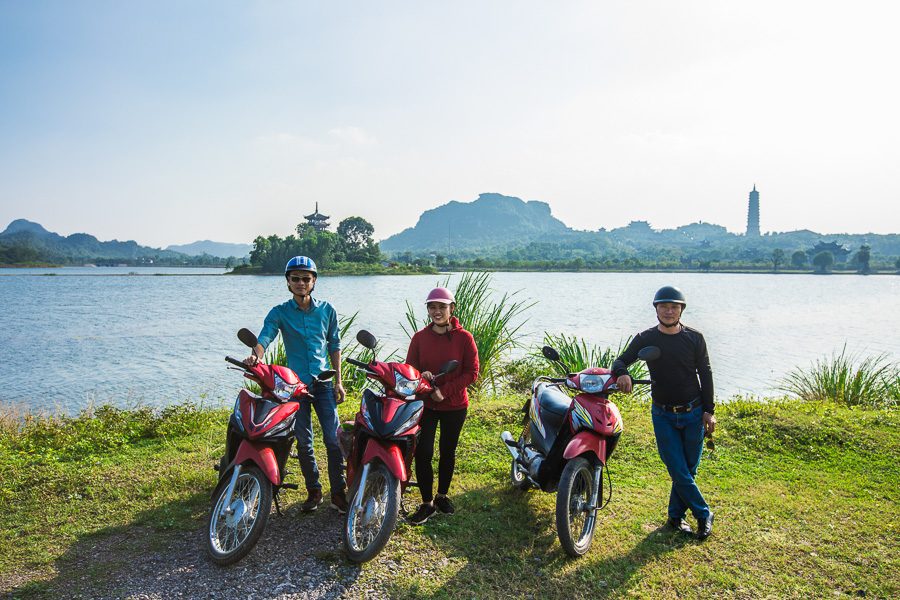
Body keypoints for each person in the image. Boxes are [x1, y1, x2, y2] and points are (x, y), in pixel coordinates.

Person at [611, 285, 716, 540]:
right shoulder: (646, 338)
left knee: (688, 470)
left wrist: (709, 411)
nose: (669, 311)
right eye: (664, 306)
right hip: (663, 414)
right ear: (656, 309)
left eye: (674, 307)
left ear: (681, 310)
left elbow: (706, 373)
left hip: (694, 411)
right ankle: (703, 514)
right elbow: (620, 361)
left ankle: (675, 518)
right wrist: (623, 373)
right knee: (676, 467)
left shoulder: (694, 338)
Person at [244, 255, 348, 513]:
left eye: (306, 278)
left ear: (314, 282)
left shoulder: (327, 310)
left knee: (333, 440)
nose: (301, 283)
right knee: (304, 441)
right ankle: (314, 490)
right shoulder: (280, 312)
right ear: (288, 283)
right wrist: (256, 356)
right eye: (295, 279)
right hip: (294, 386)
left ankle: (339, 492)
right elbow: (266, 335)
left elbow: (334, 345)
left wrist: (339, 381)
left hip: (323, 383)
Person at [405, 287, 479, 524]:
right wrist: (421, 376)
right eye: (432, 307)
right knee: (423, 452)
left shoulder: (464, 338)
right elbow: (409, 370)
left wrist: (444, 392)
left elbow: (472, 372)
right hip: (425, 405)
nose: (437, 311)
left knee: (448, 451)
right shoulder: (419, 338)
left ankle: (442, 496)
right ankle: (427, 503)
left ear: (452, 309)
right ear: (428, 310)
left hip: (455, 405)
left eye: (442, 307)